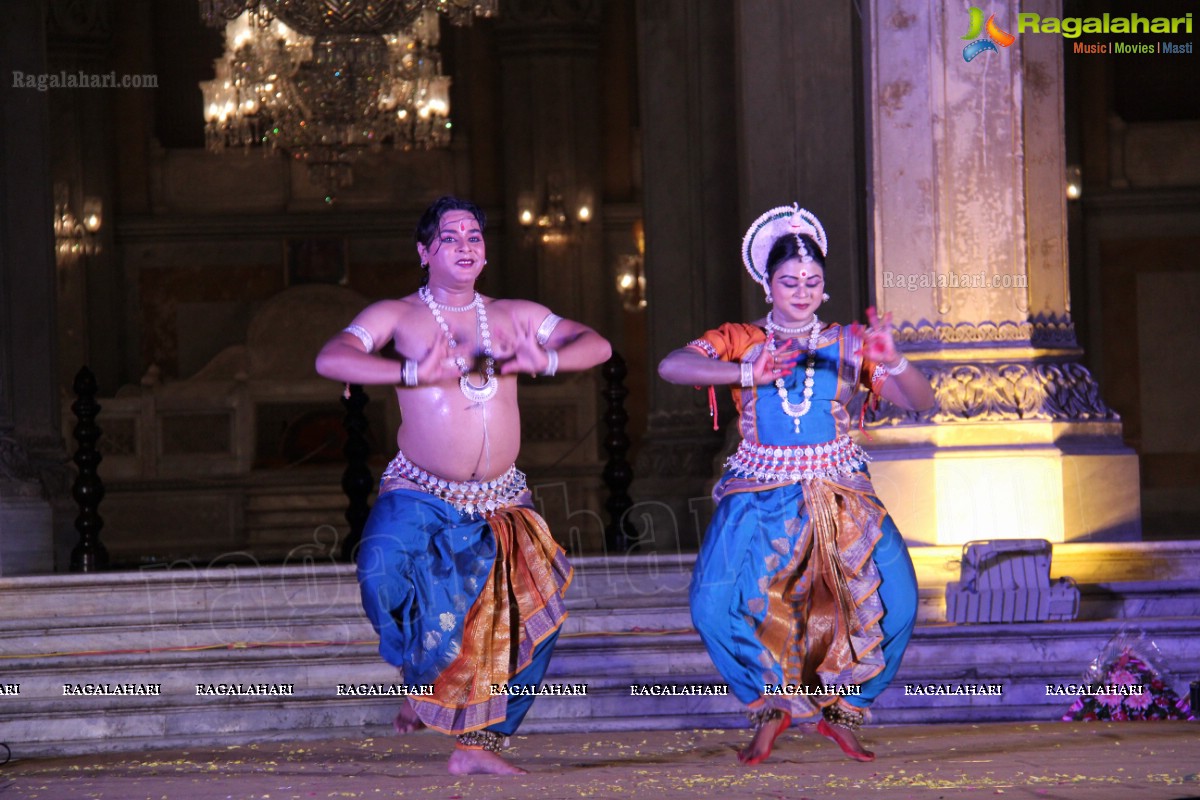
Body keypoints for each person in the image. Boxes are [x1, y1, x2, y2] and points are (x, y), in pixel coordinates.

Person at [315, 196, 612, 775]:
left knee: (533, 613)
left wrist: (545, 360)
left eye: (475, 236)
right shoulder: (397, 316)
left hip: (502, 497)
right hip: (420, 490)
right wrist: (409, 372)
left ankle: (481, 745)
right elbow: (334, 356)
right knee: (381, 570)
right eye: (450, 238)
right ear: (424, 251)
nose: (466, 246)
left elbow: (595, 344)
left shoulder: (514, 314)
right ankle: (423, 678)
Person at [657, 203, 935, 766]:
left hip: (841, 491)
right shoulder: (741, 339)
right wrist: (745, 373)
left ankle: (843, 710)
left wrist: (895, 359)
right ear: (767, 283)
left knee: (898, 599)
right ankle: (769, 703)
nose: (802, 291)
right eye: (789, 281)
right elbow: (672, 366)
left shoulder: (851, 343)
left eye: (812, 281)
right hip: (758, 492)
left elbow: (922, 403)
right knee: (713, 605)